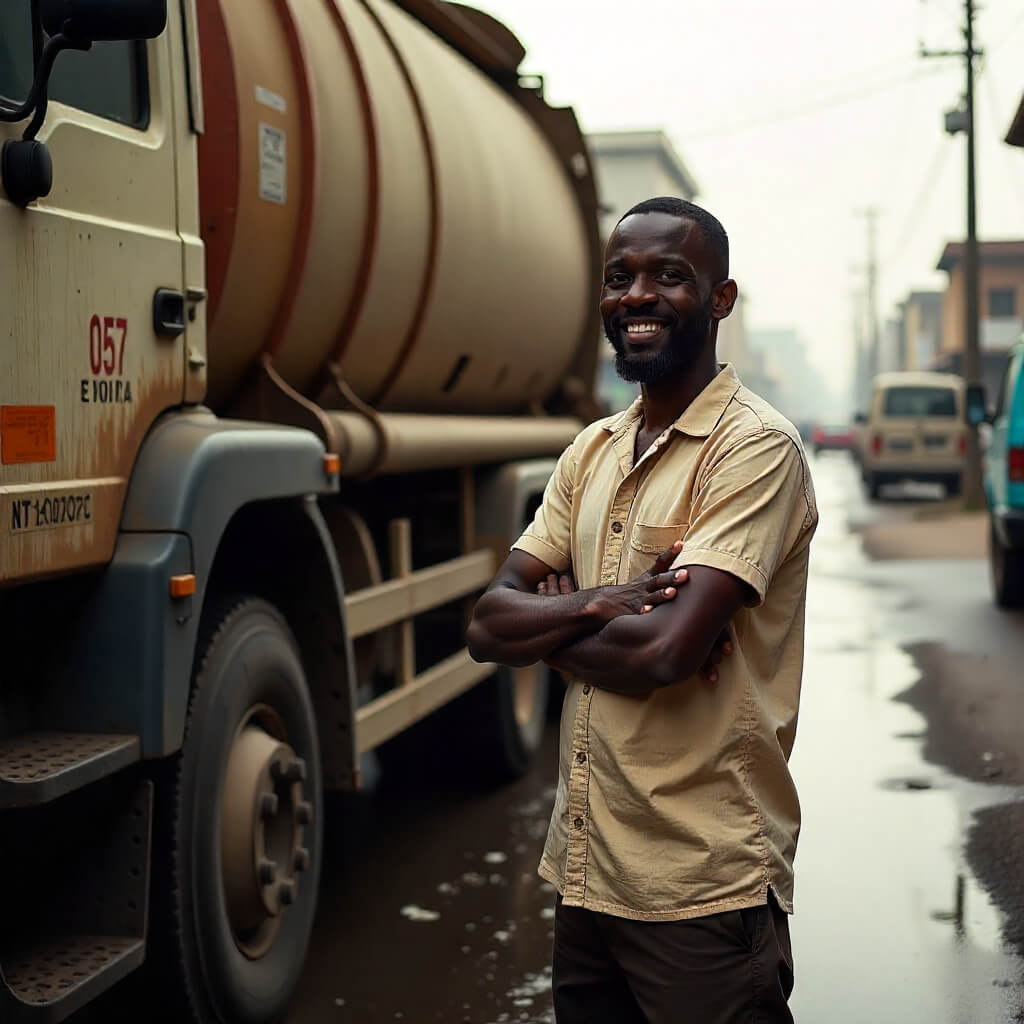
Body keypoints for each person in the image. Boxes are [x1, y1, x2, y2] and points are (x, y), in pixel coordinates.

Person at [466, 196, 817, 1023]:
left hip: (701, 885)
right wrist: (606, 605)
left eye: (670, 276)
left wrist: (552, 628)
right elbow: (485, 626)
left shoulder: (754, 449)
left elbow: (663, 655)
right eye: (620, 277)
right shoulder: (591, 449)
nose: (637, 297)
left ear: (721, 299)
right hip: (587, 875)